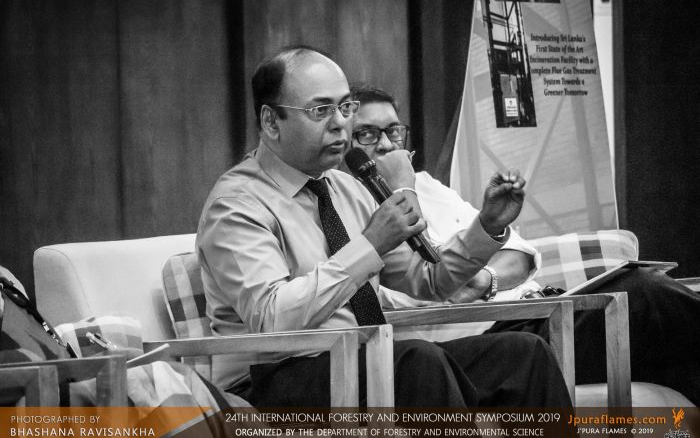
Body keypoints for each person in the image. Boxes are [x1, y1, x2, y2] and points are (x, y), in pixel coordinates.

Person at [196, 45, 572, 408]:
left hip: (365, 359)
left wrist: (486, 226)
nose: (339, 124)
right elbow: (273, 318)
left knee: (523, 353)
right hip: (270, 381)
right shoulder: (237, 203)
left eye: (345, 107)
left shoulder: (346, 189)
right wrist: (370, 244)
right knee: (417, 362)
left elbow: (428, 281)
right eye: (320, 110)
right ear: (270, 121)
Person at [347, 84, 700, 405]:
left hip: (540, 307)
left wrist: (486, 279)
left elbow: (518, 253)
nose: (387, 145)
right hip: (492, 337)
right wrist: (401, 191)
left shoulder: (426, 185)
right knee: (642, 293)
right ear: (345, 146)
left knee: (677, 356)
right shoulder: (351, 211)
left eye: (393, 131)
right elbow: (429, 289)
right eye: (367, 134)